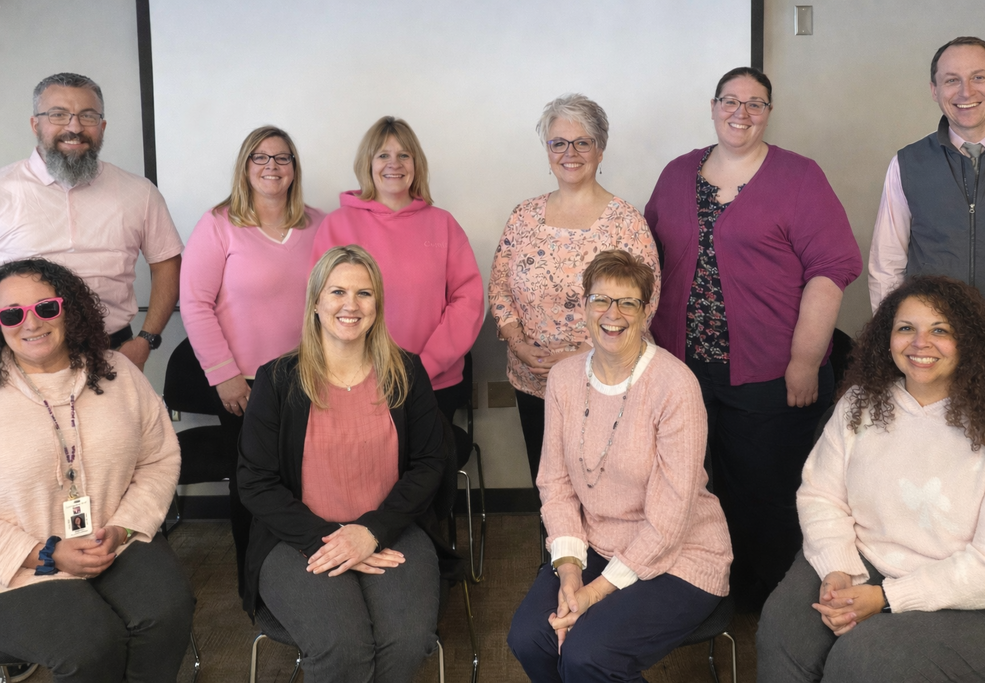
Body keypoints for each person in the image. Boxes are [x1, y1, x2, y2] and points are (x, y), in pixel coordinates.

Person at [645, 66, 862, 611]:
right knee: (689, 488)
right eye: (730, 100)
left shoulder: (799, 177)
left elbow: (830, 270)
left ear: (769, 112)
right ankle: (700, 589)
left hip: (773, 372)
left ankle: (768, 605)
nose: (740, 113)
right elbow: (648, 263)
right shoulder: (676, 174)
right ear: (713, 105)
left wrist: (806, 360)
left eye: (755, 103)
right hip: (684, 368)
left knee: (764, 495)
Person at [757, 275, 985, 682]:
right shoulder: (860, 403)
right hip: (868, 563)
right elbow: (821, 495)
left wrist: (886, 599)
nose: (921, 343)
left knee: (866, 658)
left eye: (940, 330)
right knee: (784, 630)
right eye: (906, 329)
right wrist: (836, 567)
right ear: (888, 337)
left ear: (969, 339)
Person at [507, 250, 732, 682]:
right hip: (596, 544)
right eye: (600, 300)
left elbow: (668, 522)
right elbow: (555, 485)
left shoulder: (675, 386)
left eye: (627, 303)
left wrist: (591, 595)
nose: (612, 314)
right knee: (529, 637)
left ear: (646, 312)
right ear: (585, 307)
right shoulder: (564, 379)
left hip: (681, 555)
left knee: (587, 655)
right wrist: (570, 571)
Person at [237, 245, 453, 682]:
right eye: (337, 292)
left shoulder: (406, 372)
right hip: (296, 538)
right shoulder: (277, 380)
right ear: (315, 302)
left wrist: (371, 531)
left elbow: (430, 463)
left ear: (378, 305)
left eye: (364, 293)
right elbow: (255, 482)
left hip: (394, 528)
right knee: (344, 649)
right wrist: (330, 539)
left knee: (407, 643)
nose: (350, 305)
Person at [0, 259, 194, 682]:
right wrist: (47, 553)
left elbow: (158, 458)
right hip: (16, 563)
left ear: (68, 310)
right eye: (11, 313)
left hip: (112, 538)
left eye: (45, 308)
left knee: (166, 613)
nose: (30, 323)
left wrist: (123, 528)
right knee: (89, 644)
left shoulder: (118, 372)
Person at [180, 125, 324, 595]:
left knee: (310, 481)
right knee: (254, 489)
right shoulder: (218, 224)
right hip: (243, 385)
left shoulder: (320, 226)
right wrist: (223, 379)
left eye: (282, 158)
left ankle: (310, 576)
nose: (271, 167)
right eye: (260, 158)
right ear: (245, 166)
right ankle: (255, 583)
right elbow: (195, 303)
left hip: (310, 377)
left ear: (294, 169)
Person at [489, 94, 660, 487]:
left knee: (605, 487)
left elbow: (644, 306)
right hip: (535, 381)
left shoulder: (626, 222)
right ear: (547, 150)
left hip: (607, 380)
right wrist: (516, 343)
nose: (570, 152)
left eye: (582, 142)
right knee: (549, 485)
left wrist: (580, 354)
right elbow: (499, 288)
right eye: (558, 143)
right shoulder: (523, 216)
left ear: (600, 149)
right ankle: (555, 550)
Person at [0, 73, 183, 370]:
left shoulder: (140, 192)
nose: (74, 127)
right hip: (19, 362)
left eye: (87, 116)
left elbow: (167, 265)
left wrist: (146, 340)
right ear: (36, 124)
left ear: (102, 126)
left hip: (113, 355)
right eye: (58, 115)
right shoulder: (4, 189)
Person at [312, 116, 483, 424]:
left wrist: (424, 367)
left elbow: (468, 301)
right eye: (383, 155)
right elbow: (325, 305)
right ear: (368, 163)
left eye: (404, 155)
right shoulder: (337, 225)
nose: (395, 163)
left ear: (416, 163)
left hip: (434, 382)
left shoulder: (443, 224)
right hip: (358, 383)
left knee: (428, 470)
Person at [868, 37, 985, 362]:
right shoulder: (907, 164)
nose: (966, 92)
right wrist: (893, 341)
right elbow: (887, 266)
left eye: (978, 77)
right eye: (952, 80)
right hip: (933, 355)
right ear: (934, 90)